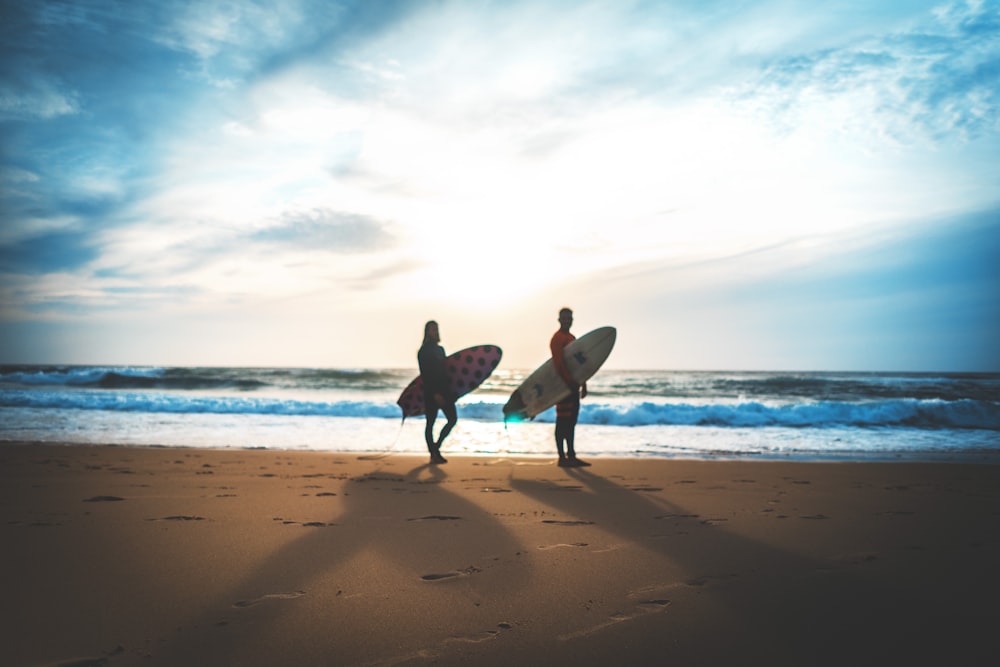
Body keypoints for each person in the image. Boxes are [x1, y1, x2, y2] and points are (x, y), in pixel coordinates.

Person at [551, 307, 590, 467]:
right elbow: (558, 363)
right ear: (559, 320)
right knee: (562, 420)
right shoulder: (557, 338)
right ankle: (562, 457)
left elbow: (578, 364)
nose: (567, 320)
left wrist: (583, 383)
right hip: (563, 386)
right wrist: (568, 383)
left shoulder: (572, 337)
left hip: (574, 385)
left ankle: (571, 455)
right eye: (564, 318)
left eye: (569, 318)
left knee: (571, 421)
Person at [418, 320, 456, 464]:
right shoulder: (424, 351)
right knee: (430, 423)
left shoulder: (440, 350)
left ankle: (436, 448)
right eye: (431, 329)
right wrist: (435, 393)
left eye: (436, 329)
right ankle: (433, 453)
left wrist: (453, 392)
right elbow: (426, 375)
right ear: (427, 332)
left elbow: (446, 372)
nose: (434, 332)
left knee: (452, 419)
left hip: (445, 391)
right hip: (431, 393)